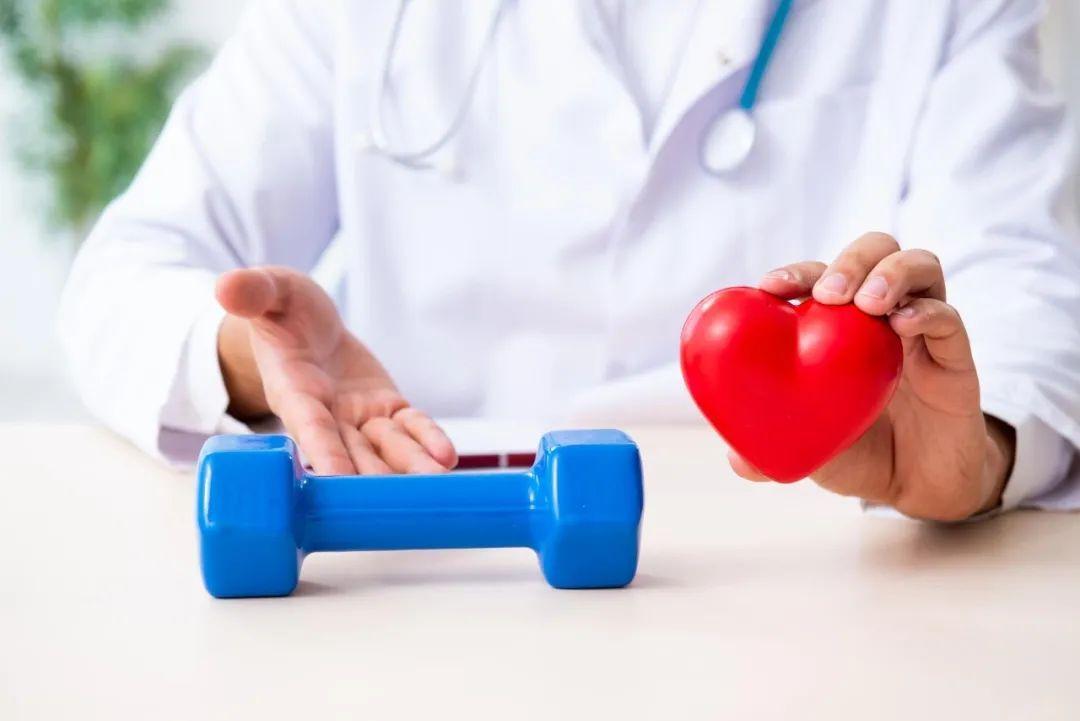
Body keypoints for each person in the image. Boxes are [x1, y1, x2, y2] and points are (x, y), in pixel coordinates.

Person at [59, 0, 1080, 521]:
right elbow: (123, 278)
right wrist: (249, 357)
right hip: (421, 544)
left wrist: (973, 456)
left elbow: (1021, 287)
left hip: (787, 566)